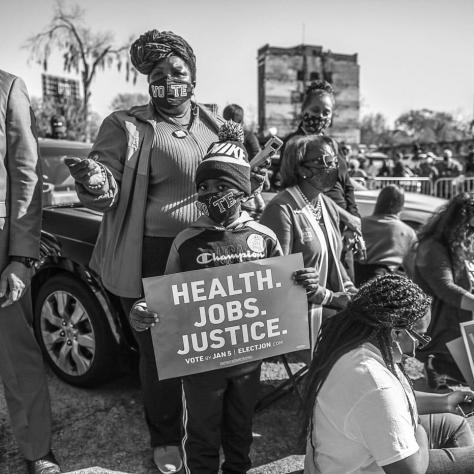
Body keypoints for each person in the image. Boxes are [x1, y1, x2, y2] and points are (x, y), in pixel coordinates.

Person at [65, 29, 228, 473]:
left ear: (193, 76)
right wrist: (94, 180)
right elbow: (105, 186)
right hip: (152, 256)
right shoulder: (127, 125)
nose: (169, 80)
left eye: (178, 71)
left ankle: (211, 432)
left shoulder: (215, 122)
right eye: (158, 74)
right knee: (160, 355)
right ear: (147, 81)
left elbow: (236, 179)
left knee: (211, 346)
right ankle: (166, 437)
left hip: (211, 251)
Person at [129, 122, 283, 473]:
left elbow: (281, 291)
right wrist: (143, 308)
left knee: (241, 433)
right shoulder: (186, 240)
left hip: (249, 362)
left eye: (221, 185)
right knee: (201, 435)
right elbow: (165, 293)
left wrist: (302, 283)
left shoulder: (264, 237)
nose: (211, 193)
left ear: (242, 189)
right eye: (204, 187)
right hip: (200, 367)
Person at [302, 273, 474, 474]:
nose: (418, 347)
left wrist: (445, 401)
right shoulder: (374, 383)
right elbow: (410, 470)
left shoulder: (354, 344)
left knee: (454, 424)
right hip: (370, 469)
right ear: (396, 332)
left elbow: (392, 401)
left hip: (347, 455)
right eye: (421, 337)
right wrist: (419, 431)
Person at [0, 70, 61, 473]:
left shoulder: (7, 87)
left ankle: (37, 450)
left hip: (1, 246)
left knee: (16, 357)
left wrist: (21, 256)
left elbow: (27, 174)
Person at [260, 134, 357, 349]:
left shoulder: (327, 205)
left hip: (329, 308)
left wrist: (351, 291)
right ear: (302, 169)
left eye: (334, 161)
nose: (333, 167)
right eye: (325, 162)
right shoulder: (281, 209)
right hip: (296, 315)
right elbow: (278, 276)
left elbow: (334, 260)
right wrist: (331, 298)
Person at [279, 80, 361, 279]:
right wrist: (345, 217)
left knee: (347, 290)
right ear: (303, 110)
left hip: (342, 231)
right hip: (314, 228)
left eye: (327, 112)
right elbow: (298, 192)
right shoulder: (293, 144)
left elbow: (347, 187)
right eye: (316, 110)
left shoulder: (333, 144)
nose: (321, 116)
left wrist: (353, 225)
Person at [408, 192, 474, 386]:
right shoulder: (432, 247)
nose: (471, 233)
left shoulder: (463, 244)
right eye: (469, 228)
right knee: (469, 378)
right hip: (446, 326)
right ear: (458, 224)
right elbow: (446, 288)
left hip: (462, 322)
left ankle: (439, 367)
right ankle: (437, 365)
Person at [355, 185, 417, 286]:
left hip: (359, 279)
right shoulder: (408, 232)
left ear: (379, 201)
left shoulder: (359, 224)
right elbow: (412, 269)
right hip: (390, 283)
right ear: (401, 206)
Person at [222, 103, 266, 218]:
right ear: (241, 121)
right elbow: (259, 157)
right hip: (247, 186)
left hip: (229, 189)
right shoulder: (248, 136)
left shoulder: (220, 138)